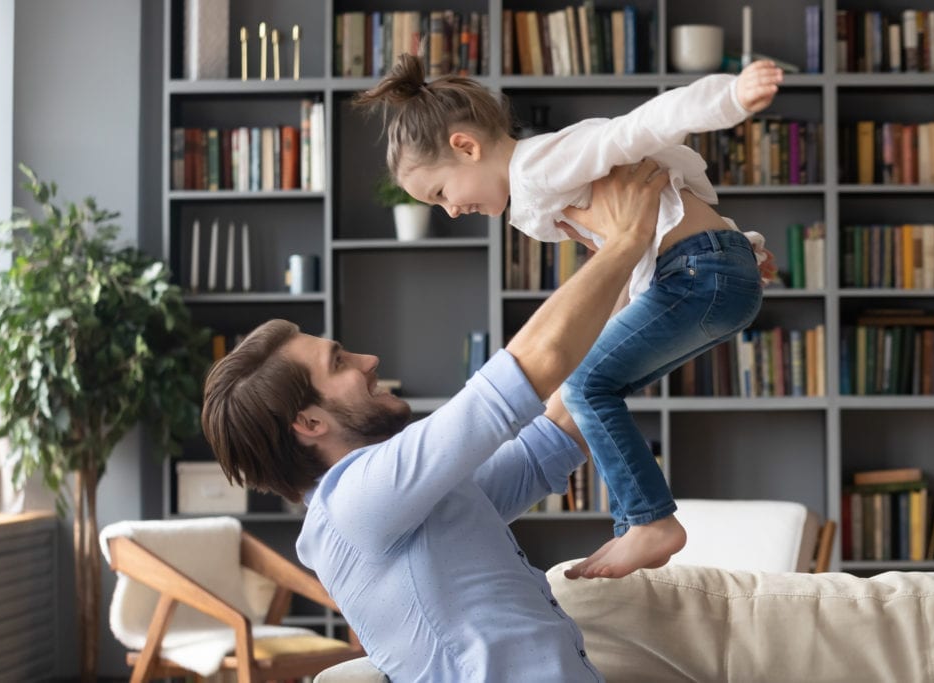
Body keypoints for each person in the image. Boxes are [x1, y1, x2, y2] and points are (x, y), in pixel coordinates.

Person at [202, 160, 668, 682]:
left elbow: (560, 424)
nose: (367, 361)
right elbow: (530, 368)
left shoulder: (411, 506)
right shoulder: (355, 502)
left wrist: (658, 288)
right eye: (339, 363)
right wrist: (627, 238)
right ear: (308, 422)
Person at [353, 54, 782, 580]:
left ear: (466, 147)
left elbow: (638, 128)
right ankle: (635, 525)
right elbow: (647, 234)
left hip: (698, 271)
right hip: (709, 270)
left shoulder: (540, 164)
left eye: (441, 193)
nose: (450, 211)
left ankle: (650, 523)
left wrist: (731, 96)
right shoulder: (537, 200)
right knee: (595, 385)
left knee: (583, 386)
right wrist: (741, 249)